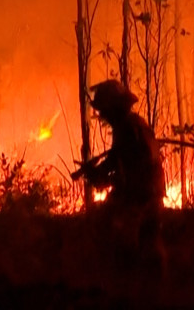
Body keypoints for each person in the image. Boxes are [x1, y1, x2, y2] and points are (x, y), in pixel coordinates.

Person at [72, 80, 166, 271]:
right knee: (148, 245)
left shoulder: (130, 130)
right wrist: (98, 173)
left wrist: (106, 179)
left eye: (104, 110)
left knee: (115, 235)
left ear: (114, 108)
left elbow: (138, 167)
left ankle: (128, 285)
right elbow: (115, 160)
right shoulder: (129, 127)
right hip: (148, 195)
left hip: (141, 198)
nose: (102, 115)